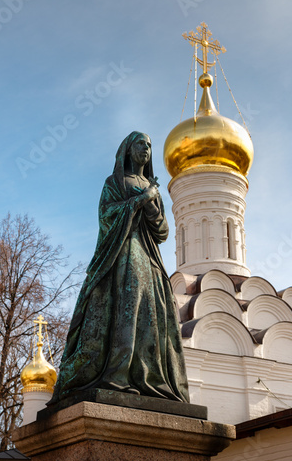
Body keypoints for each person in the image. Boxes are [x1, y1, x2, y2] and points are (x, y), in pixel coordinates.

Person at [52, 131, 189, 403]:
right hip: (124, 251)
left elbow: (162, 232)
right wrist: (140, 199)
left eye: (149, 145)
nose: (146, 149)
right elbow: (106, 215)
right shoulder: (115, 182)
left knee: (153, 311)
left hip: (149, 257)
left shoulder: (151, 186)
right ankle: (118, 374)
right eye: (141, 143)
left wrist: (151, 203)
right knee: (129, 305)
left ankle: (150, 376)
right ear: (127, 150)